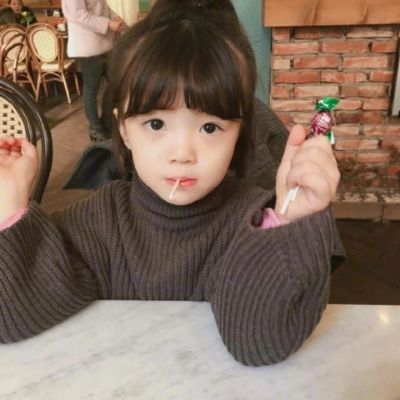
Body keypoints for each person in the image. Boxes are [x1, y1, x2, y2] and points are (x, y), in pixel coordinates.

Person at [0, 0, 344, 366]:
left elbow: (257, 343)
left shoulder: (251, 219)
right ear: (124, 130)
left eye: (209, 127)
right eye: (156, 124)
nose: (182, 153)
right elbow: (15, 314)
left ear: (240, 134)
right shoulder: (101, 218)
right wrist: (9, 200)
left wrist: (290, 217)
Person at [61, 0, 126, 141]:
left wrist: (115, 17)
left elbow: (102, 6)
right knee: (91, 89)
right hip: (88, 47)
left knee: (115, 83)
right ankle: (95, 128)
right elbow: (78, 14)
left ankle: (107, 123)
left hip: (105, 44)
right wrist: (108, 24)